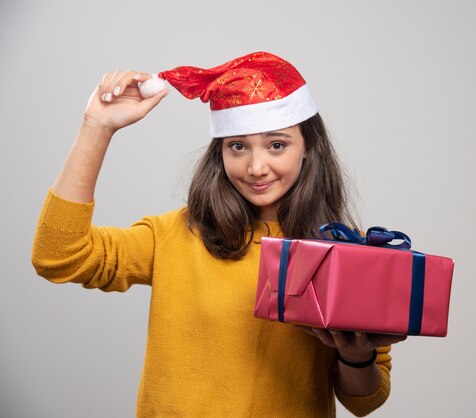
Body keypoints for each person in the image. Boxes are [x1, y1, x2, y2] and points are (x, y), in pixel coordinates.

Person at [31, 51, 406, 417]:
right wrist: (96, 128)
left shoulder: (348, 251)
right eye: (237, 146)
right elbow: (59, 255)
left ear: (308, 147)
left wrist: (357, 355)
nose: (256, 167)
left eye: (277, 145)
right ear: (220, 152)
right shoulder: (173, 236)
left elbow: (365, 402)